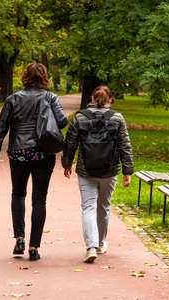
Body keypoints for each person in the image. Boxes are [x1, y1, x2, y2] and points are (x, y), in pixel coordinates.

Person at [0, 63, 68, 261]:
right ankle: (34, 247)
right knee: (39, 200)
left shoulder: (13, 99)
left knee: (18, 194)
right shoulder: (50, 98)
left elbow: (1, 128)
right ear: (45, 77)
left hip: (18, 152)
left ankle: (19, 238)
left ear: (25, 77)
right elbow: (63, 121)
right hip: (43, 153)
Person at [62, 86, 134, 263]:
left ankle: (90, 246)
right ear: (110, 99)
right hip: (110, 170)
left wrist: (67, 163)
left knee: (88, 207)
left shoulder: (80, 116)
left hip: (86, 169)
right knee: (104, 206)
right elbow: (125, 145)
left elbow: (70, 142)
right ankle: (101, 243)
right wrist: (127, 171)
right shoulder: (117, 117)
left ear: (92, 97)